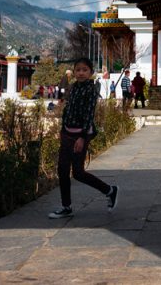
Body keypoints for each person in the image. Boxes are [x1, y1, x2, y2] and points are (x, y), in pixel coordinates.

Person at [48, 58, 118, 219]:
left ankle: (110, 190)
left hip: (81, 134)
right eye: (78, 70)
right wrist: (62, 129)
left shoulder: (91, 90)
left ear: (91, 73)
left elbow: (88, 114)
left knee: (78, 172)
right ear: (74, 72)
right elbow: (67, 110)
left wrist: (82, 137)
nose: (80, 73)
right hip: (67, 132)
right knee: (62, 170)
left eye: (84, 70)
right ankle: (66, 206)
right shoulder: (73, 88)